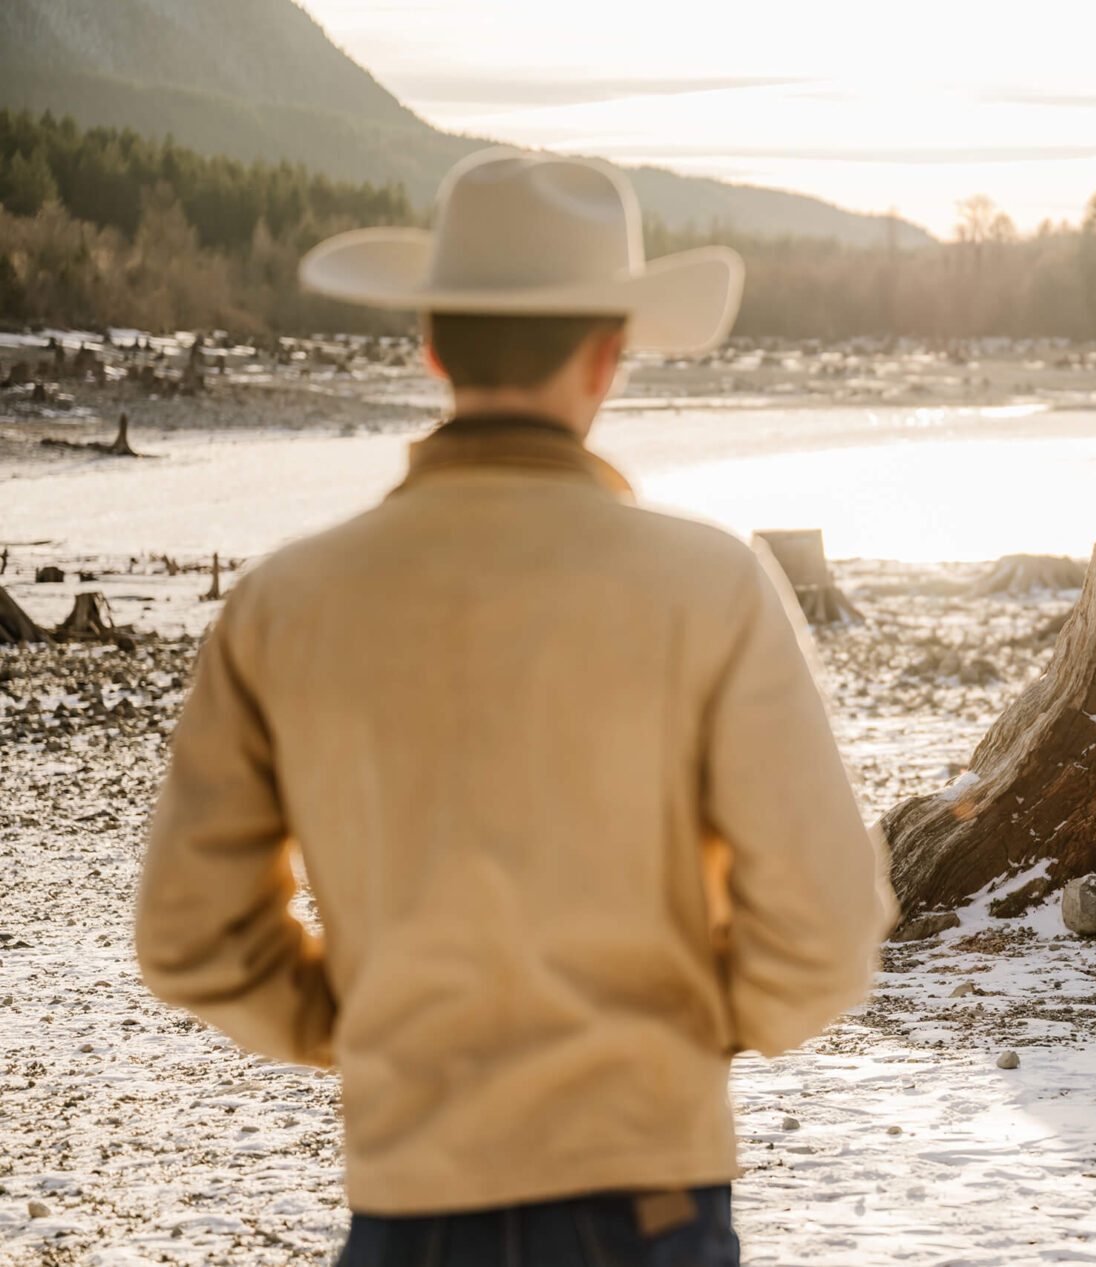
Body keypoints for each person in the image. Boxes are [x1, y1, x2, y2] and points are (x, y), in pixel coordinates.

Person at [134, 148, 894, 1266]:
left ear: (433, 343)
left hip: (409, 1197)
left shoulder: (285, 603)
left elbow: (190, 936)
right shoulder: (706, 585)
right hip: (647, 1196)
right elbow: (825, 932)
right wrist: (678, 1037)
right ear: (609, 356)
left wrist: (363, 1027)